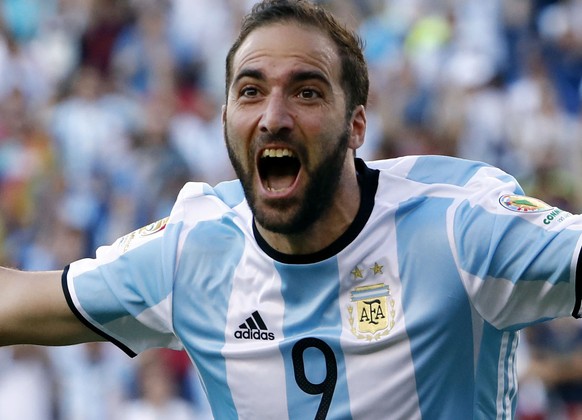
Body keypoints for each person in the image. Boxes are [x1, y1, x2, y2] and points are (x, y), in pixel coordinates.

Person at [0, 0, 581, 418]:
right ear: (225, 119)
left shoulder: (459, 227)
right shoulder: (191, 252)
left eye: (306, 91)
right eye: (250, 91)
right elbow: (18, 304)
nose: (273, 116)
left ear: (356, 126)